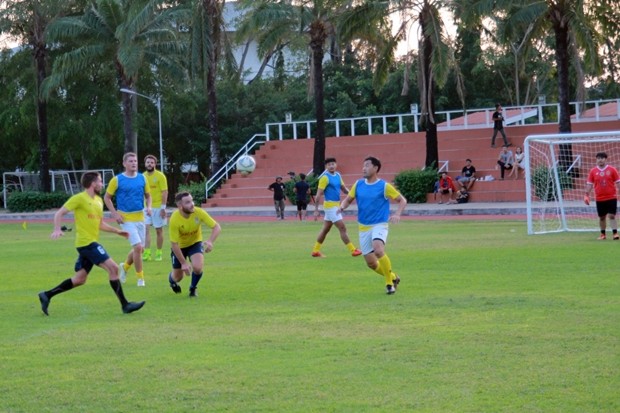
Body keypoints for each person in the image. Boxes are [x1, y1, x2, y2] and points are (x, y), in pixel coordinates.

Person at [38, 171, 145, 315]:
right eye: (100, 181)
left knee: (80, 279)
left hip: (90, 242)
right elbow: (59, 213)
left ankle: (46, 295)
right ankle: (125, 305)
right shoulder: (79, 198)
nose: (102, 184)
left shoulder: (99, 201)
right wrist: (57, 229)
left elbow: (100, 224)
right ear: (93, 183)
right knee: (113, 268)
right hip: (86, 243)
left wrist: (117, 231)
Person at [338, 156, 407, 295]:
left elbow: (402, 200)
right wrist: (342, 207)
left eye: (367, 165)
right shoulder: (358, 184)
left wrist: (397, 214)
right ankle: (393, 277)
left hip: (379, 224)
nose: (364, 168)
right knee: (371, 263)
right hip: (363, 227)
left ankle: (389, 285)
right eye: (363, 165)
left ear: (376, 168)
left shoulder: (384, 186)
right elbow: (348, 199)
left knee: (378, 250)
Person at [104, 152, 151, 287]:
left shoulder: (142, 178)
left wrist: (148, 207)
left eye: (135, 161)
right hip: (125, 219)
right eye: (130, 161)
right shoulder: (117, 180)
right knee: (137, 247)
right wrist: (115, 214)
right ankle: (140, 279)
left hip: (140, 217)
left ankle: (124, 267)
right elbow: (107, 198)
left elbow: (148, 196)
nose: (133, 163)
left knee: (140, 249)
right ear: (124, 164)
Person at [168, 191, 222, 297]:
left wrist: (210, 241)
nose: (192, 204)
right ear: (180, 205)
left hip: (195, 243)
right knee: (178, 277)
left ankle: (193, 288)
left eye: (192, 200)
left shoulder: (199, 212)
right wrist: (183, 263)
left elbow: (217, 227)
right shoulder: (174, 219)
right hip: (179, 247)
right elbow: (174, 244)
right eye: (187, 202)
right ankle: (172, 280)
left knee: (197, 268)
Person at [312, 157, 362, 258]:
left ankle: (315, 251)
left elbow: (344, 189)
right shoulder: (325, 178)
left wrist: (353, 195)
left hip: (336, 205)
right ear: (326, 167)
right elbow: (318, 195)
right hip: (330, 206)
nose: (331, 166)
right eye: (329, 164)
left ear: (336, 164)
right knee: (342, 228)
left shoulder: (338, 175)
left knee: (325, 229)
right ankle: (353, 250)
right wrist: (316, 209)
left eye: (333, 164)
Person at [584, 152, 620, 240]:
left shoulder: (612, 170)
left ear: (605, 159)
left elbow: (618, 182)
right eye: (598, 158)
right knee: (602, 217)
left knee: (612, 216)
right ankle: (603, 235)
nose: (600, 160)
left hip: (611, 197)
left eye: (602, 158)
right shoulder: (593, 171)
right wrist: (586, 195)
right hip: (599, 198)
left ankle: (615, 233)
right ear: (596, 160)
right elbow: (589, 184)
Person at [142, 155, 168, 262]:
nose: (150, 164)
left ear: (155, 164)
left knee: (158, 231)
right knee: (146, 230)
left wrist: (163, 208)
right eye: (148, 162)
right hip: (146, 207)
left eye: (152, 162)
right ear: (145, 164)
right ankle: (147, 253)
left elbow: (165, 192)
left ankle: (159, 252)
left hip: (158, 207)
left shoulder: (160, 176)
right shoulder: (142, 176)